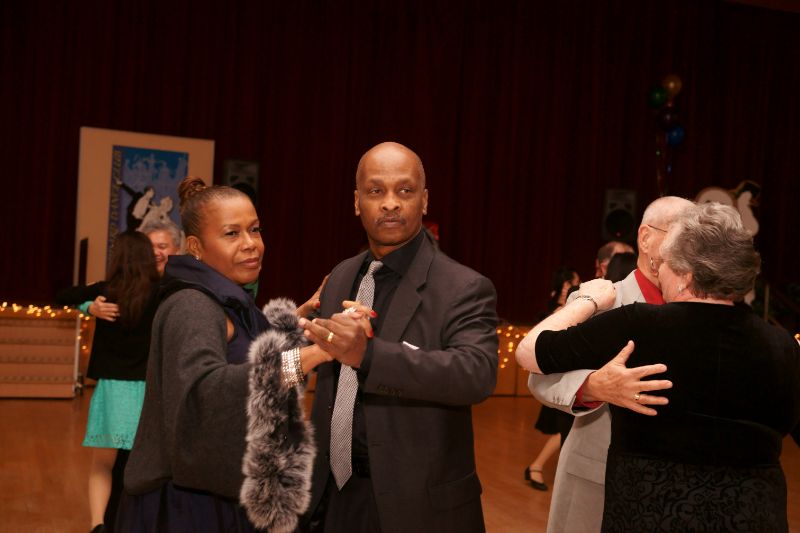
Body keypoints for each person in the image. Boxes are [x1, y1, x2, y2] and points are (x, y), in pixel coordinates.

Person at [518, 203, 800, 531]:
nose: (661, 266)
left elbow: (531, 352)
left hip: (649, 507)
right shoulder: (780, 344)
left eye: (669, 259)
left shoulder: (634, 322)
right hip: (750, 514)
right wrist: (594, 386)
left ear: (687, 274)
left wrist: (587, 301)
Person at [299, 142, 499, 533]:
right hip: (334, 496)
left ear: (424, 201)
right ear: (357, 202)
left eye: (404, 190)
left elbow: (476, 373)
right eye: (376, 191)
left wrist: (369, 355)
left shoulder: (463, 286)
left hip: (417, 506)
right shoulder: (341, 276)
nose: (390, 203)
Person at [117, 177, 330, 532]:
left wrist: (302, 324)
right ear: (196, 247)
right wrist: (317, 353)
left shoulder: (224, 298)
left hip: (216, 497)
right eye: (232, 234)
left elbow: (250, 357)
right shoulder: (192, 306)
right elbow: (206, 394)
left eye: (255, 230)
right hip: (185, 508)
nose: (250, 244)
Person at [526, 196, 692, 533]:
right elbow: (538, 378)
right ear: (645, 238)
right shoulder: (598, 300)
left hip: (675, 486)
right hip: (596, 479)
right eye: (680, 234)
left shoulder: (698, 311)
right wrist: (593, 387)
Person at [56, 231, 161, 533]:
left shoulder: (105, 292)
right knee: (140, 469)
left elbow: (62, 296)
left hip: (113, 391)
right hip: (147, 392)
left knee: (103, 465)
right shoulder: (161, 294)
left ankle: (98, 525)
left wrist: (89, 307)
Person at [524, 267, 579, 491]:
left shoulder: (560, 308)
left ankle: (537, 467)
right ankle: (536, 467)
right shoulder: (562, 311)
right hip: (561, 379)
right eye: (574, 282)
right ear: (566, 286)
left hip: (561, 378)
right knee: (567, 429)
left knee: (567, 429)